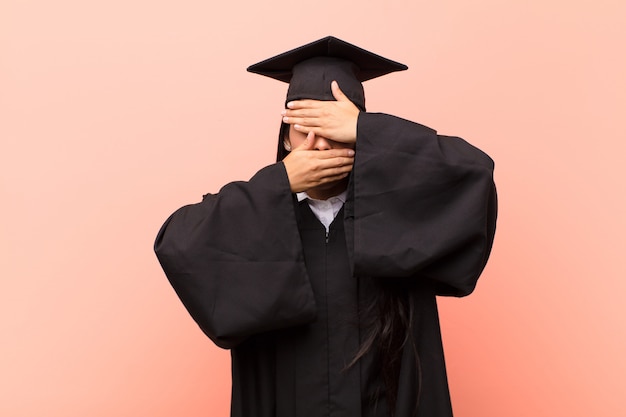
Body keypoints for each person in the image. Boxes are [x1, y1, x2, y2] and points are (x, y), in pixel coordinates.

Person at [154, 36, 497, 417]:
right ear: (286, 138)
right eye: (304, 130)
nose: (318, 146)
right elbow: (178, 244)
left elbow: (474, 177)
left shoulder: (399, 217)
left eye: (334, 131)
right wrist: (281, 183)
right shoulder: (255, 218)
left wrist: (368, 130)